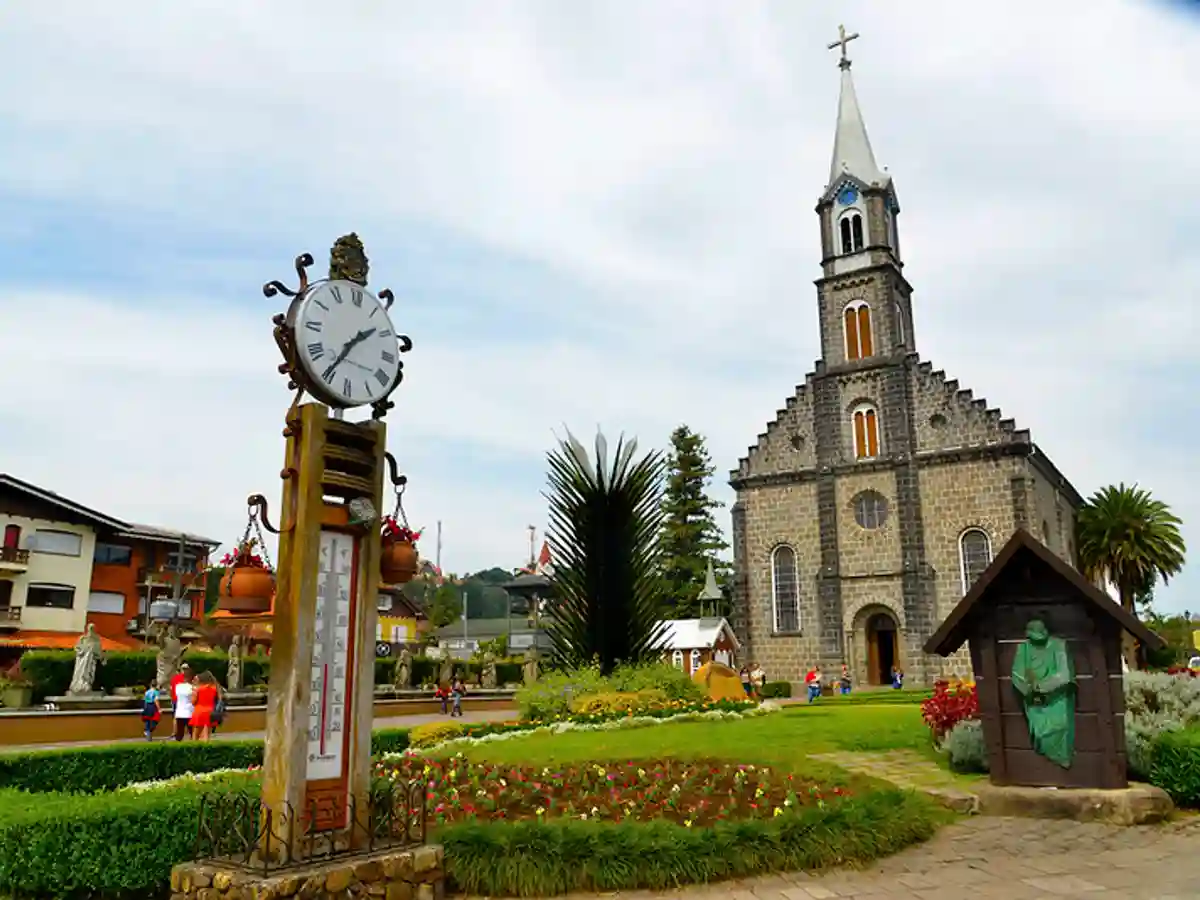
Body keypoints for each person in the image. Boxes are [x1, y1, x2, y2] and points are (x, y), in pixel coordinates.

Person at [190, 671, 220, 742]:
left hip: (199, 711)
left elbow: (193, 702)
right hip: (210, 711)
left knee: (196, 733)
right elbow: (217, 699)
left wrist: (193, 693)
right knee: (206, 733)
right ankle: (206, 748)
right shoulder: (214, 688)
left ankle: (194, 749)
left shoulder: (198, 689)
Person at [173, 671, 195, 741]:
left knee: (179, 733)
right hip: (189, 712)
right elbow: (193, 699)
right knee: (192, 733)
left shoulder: (178, 687)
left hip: (179, 712)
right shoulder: (192, 687)